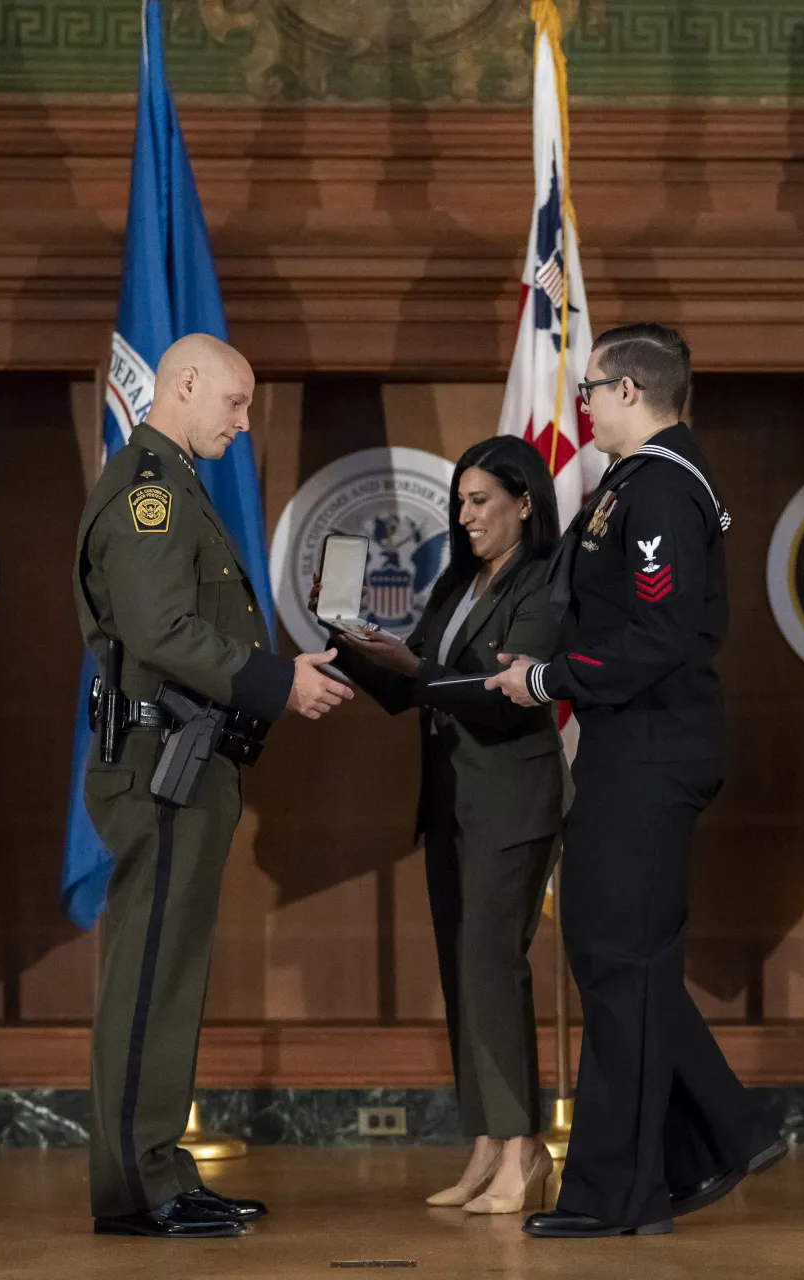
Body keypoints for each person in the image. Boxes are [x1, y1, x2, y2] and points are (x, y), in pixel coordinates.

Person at [487, 324, 786, 1239]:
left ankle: (615, 1193)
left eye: (588, 391)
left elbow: (656, 639)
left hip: (652, 750)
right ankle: (715, 1140)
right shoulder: (638, 480)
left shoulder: (658, 485)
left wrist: (547, 679)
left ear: (627, 392)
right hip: (634, 747)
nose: (580, 406)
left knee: (619, 962)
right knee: (616, 959)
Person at [74, 333, 353, 1239]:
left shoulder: (174, 481)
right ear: (184, 384)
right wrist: (280, 682)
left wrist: (281, 670)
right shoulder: (149, 491)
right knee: (147, 978)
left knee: (171, 977)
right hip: (158, 768)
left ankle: (158, 1169)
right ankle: (132, 1190)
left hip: (183, 763)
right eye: (232, 403)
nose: (243, 421)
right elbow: (158, 630)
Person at [311, 436, 567, 1215]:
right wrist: (350, 642)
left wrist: (414, 668)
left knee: (493, 967)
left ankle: (524, 1153)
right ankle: (486, 1146)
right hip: (450, 800)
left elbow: (500, 695)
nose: (464, 516)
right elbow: (410, 691)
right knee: (464, 974)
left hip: (510, 800)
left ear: (524, 501)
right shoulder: (458, 582)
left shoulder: (546, 581)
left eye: (480, 500)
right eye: (459, 502)